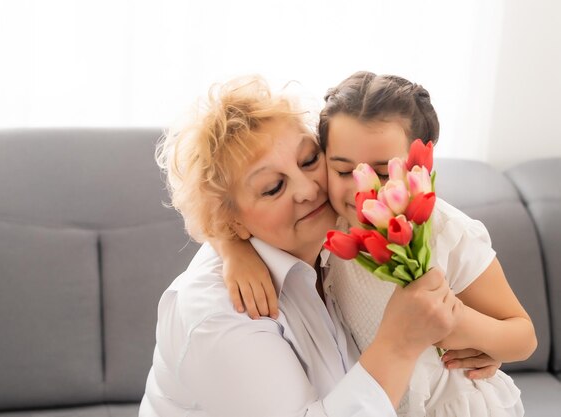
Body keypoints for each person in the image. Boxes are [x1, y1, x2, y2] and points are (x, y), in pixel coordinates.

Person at [139, 75, 462, 417]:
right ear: (231, 221)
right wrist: (400, 343)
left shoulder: (333, 235)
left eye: (309, 160)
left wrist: (480, 344)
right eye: (273, 187)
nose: (308, 189)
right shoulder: (217, 315)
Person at [218, 72, 537, 416]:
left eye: (383, 173)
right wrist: (233, 250)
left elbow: (523, 337)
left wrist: (457, 325)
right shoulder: (329, 219)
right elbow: (235, 212)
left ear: (418, 166)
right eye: (342, 171)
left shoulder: (444, 231)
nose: (362, 189)